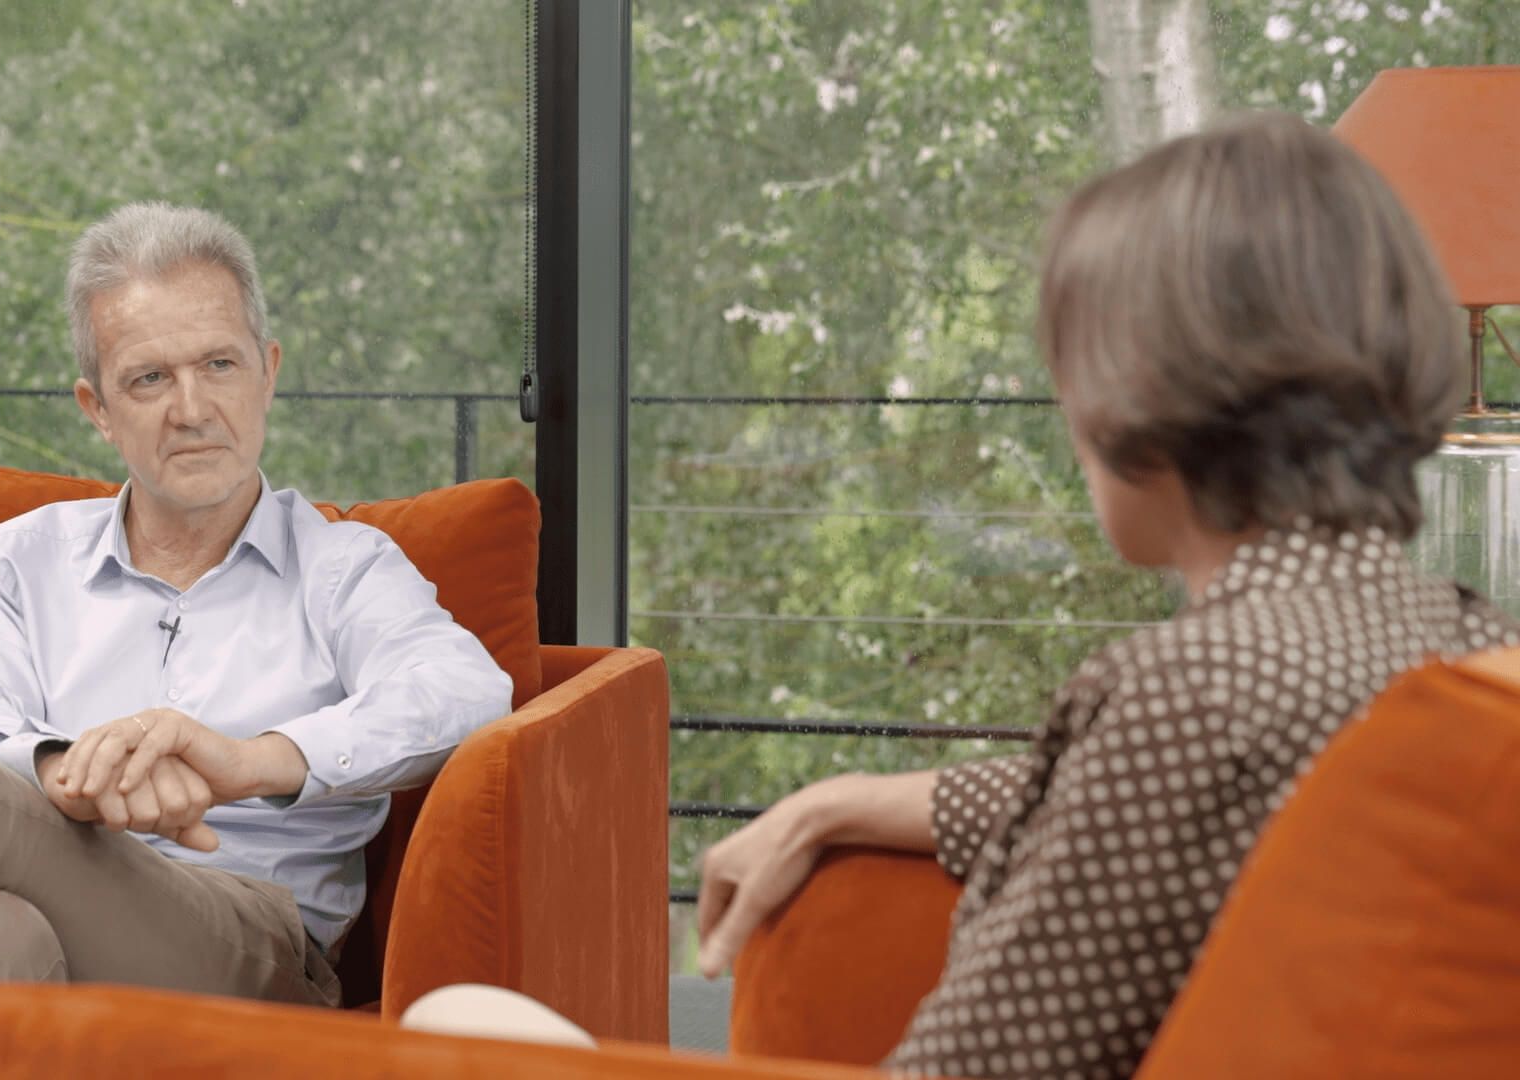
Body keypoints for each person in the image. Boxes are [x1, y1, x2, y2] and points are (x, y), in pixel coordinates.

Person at [407, 114, 1520, 1077]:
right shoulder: (1455, 644)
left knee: (456, 1021)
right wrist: (842, 800)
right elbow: (1205, 802)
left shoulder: (1190, 693)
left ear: (1142, 394)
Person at [0, 203, 515, 1079]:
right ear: (99, 409)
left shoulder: (345, 568)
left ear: (266, 372)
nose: (192, 408)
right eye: (149, 379)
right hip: (54, 902)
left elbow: (467, 692)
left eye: (219, 364)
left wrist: (249, 762)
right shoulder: (13, 563)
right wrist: (74, 780)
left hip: (253, 951)